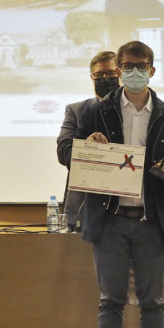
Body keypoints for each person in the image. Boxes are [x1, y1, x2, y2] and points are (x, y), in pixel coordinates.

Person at [69, 41, 164, 328]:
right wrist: (88, 146)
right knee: (111, 300)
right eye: (127, 66)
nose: (134, 72)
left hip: (151, 220)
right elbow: (76, 160)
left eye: (141, 66)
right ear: (119, 69)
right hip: (108, 220)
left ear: (152, 70)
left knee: (153, 301)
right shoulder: (96, 113)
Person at [56, 51, 119, 232]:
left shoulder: (133, 111)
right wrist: (87, 147)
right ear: (91, 77)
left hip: (124, 203)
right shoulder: (76, 110)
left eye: (110, 74)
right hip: (84, 204)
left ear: (120, 74)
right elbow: (63, 153)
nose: (104, 78)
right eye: (99, 75)